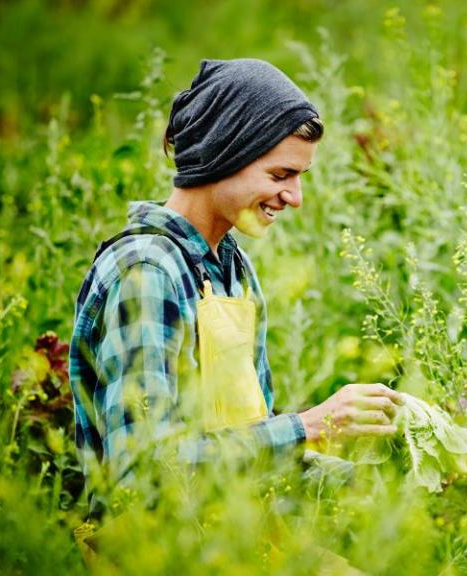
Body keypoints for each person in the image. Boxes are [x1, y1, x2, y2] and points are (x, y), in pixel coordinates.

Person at [69, 58, 403, 524]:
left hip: (236, 540)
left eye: (299, 178)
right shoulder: (147, 272)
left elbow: (257, 459)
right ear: (227, 154)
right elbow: (143, 473)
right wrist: (308, 426)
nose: (295, 198)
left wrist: (385, 489)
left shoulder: (231, 268)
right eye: (279, 175)